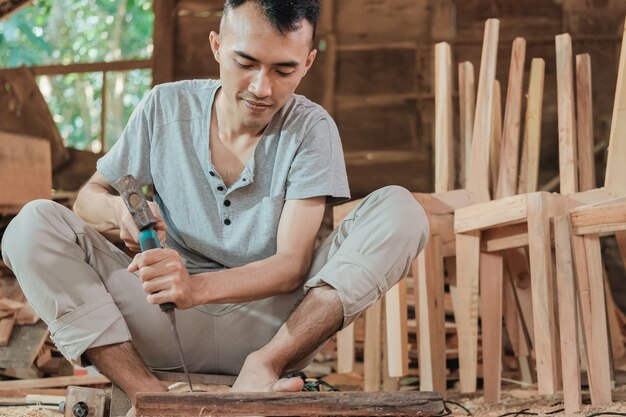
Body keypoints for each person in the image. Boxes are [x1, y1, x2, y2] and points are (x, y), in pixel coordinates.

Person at [1, 0, 428, 410]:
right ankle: (149, 395)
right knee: (32, 224)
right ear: (217, 46)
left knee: (400, 210)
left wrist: (198, 288)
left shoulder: (311, 128)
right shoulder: (163, 106)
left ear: (308, 63)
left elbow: (292, 266)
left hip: (274, 327)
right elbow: (87, 199)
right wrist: (118, 214)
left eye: (284, 70)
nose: (262, 88)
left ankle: (263, 368)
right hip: (160, 317)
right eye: (245, 63)